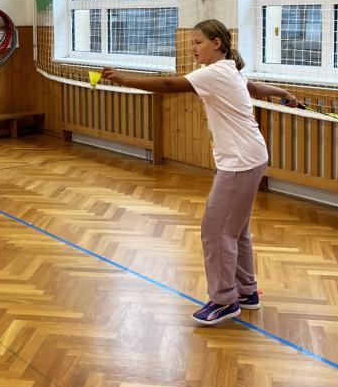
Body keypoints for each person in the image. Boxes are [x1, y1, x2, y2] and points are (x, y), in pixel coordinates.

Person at [103, 19, 302, 326]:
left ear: (216, 43)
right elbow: (254, 88)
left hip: (239, 162)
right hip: (249, 158)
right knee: (235, 230)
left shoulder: (214, 73)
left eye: (197, 42)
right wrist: (284, 92)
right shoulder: (228, 71)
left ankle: (224, 300)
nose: (192, 48)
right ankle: (246, 291)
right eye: (191, 43)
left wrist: (123, 79)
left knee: (216, 231)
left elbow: (169, 86)